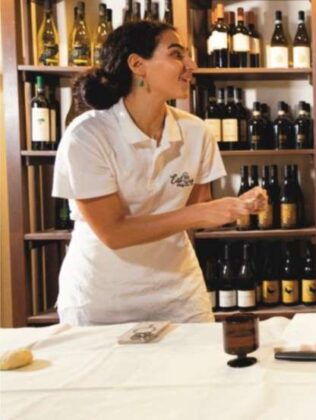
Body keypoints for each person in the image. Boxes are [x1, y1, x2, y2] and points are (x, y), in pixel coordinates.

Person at [52, 20, 266, 326]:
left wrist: (239, 206)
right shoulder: (88, 135)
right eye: (177, 54)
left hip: (179, 294)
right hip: (102, 297)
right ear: (138, 64)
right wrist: (205, 212)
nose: (191, 65)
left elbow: (198, 210)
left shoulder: (196, 131)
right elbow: (114, 233)